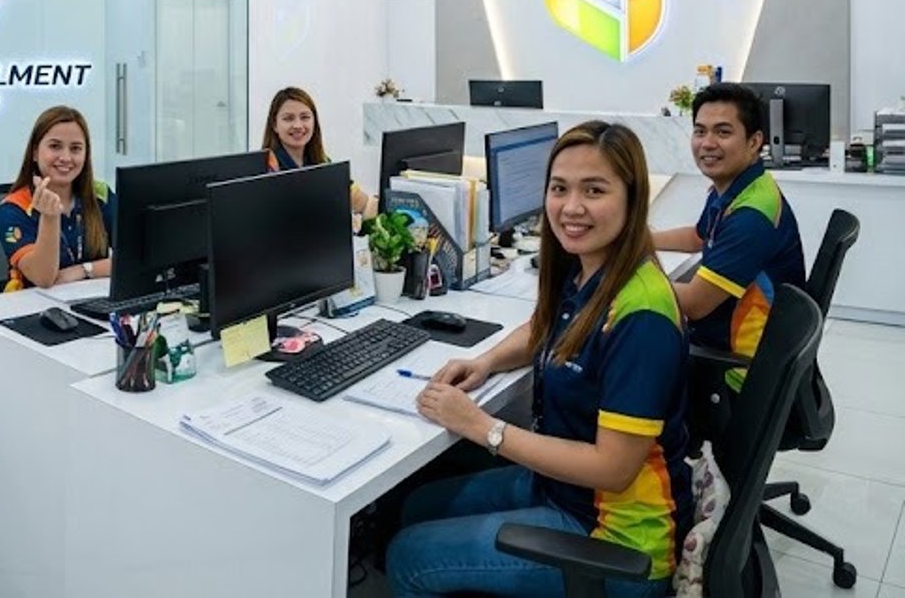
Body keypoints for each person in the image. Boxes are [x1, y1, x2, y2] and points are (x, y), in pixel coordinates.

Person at [385, 121, 691, 597]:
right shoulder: (592, 268)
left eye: (594, 190)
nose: (571, 207)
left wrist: (482, 426)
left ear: (633, 200)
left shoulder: (642, 315)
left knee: (409, 555)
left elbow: (613, 469)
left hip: (618, 539)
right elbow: (548, 329)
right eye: (559, 188)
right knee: (417, 506)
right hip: (565, 490)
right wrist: (486, 361)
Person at [651, 82, 804, 389]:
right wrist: (639, 241)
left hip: (737, 373)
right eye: (700, 131)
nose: (707, 143)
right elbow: (698, 237)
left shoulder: (751, 216)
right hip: (729, 342)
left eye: (722, 132)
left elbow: (695, 303)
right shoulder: (739, 187)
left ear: (754, 141)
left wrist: (616, 278)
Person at [0, 106, 114, 290]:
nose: (66, 157)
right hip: (36, 304)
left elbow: (135, 257)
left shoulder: (100, 194)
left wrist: (84, 270)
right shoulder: (13, 208)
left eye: (75, 149)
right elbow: (43, 278)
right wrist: (50, 217)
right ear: (35, 152)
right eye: (55, 146)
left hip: (94, 298)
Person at [259, 86, 374, 218]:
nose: (298, 125)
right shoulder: (266, 168)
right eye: (288, 118)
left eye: (305, 117)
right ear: (274, 125)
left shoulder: (322, 161)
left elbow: (360, 201)